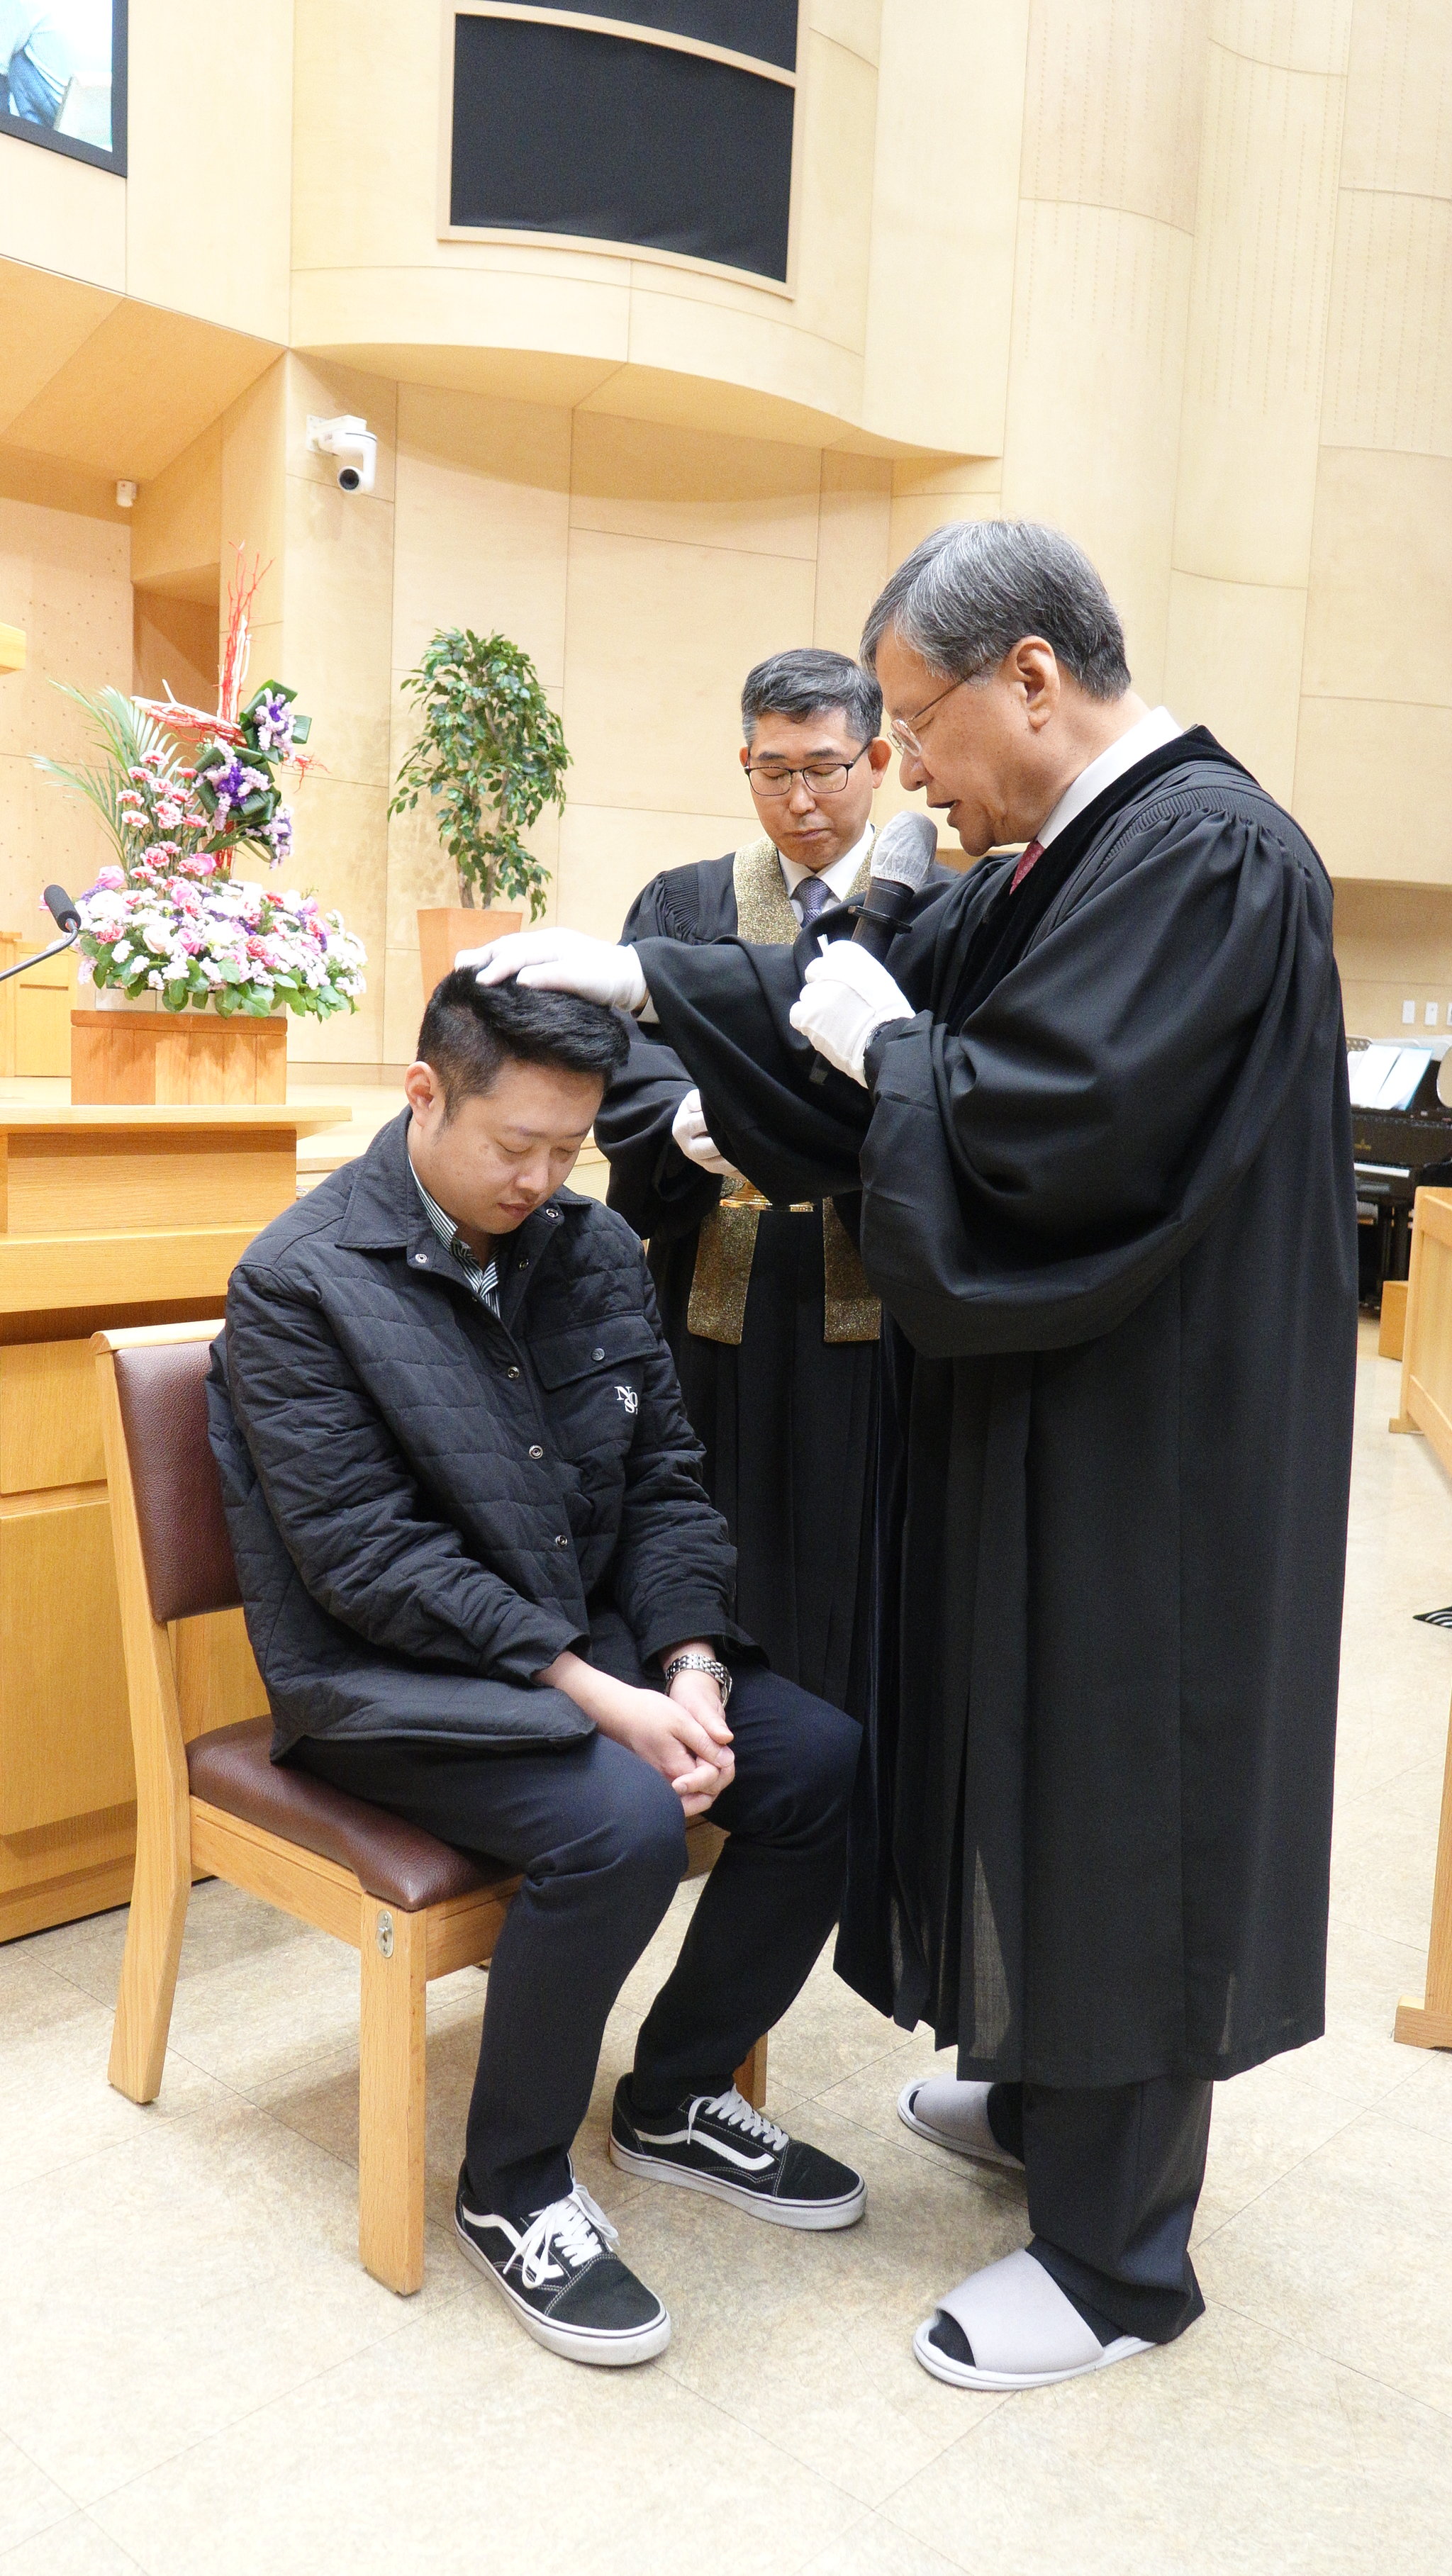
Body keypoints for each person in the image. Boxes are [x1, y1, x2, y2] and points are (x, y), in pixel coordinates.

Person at [460, 520, 1358, 2394]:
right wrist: (650, 986)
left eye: (915, 723)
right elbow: (849, 1026)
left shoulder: (1209, 850)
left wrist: (901, 1063)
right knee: (1026, 1748)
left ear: (1032, 676)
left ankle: (1117, 2259)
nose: (907, 772)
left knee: (1120, 1783)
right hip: (1054, 1407)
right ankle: (1045, 2093)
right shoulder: (1065, 852)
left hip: (1154, 1444)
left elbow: (1068, 1128)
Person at [206, 969, 866, 2370]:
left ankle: (675, 2092)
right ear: (423, 1093)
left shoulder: (590, 1245)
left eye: (570, 1149)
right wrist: (597, 1694)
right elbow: (365, 1560)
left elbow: (666, 1479)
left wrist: (688, 1658)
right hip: (381, 1681)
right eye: (516, 1144)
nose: (541, 1179)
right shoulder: (297, 1280)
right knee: (619, 1823)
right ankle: (510, 2181)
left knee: (818, 1759)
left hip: (585, 1643)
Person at [596, 646, 949, 1716]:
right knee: (708, 1528)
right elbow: (622, 1056)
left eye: (825, 770)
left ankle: (852, 1770)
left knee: (871, 1556)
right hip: (720, 1295)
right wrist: (677, 1119)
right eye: (774, 771)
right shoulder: (685, 903)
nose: (800, 801)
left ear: (876, 759)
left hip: (881, 1301)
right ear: (744, 764)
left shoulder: (943, 909)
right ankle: (718, 1751)